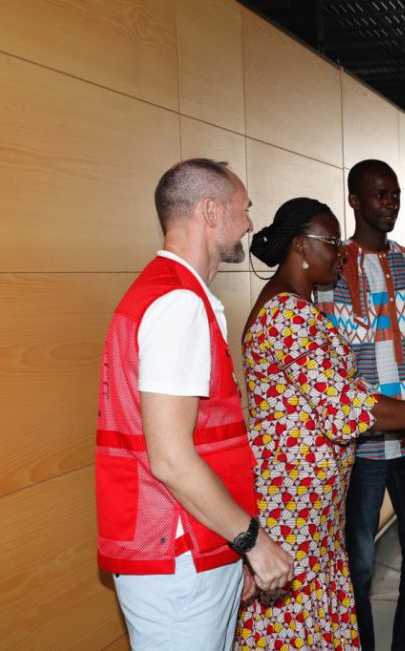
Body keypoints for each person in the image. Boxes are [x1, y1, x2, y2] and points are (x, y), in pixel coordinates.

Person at [235, 198, 405, 650]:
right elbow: (347, 407)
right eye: (332, 243)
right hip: (292, 501)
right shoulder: (286, 314)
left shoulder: (300, 308)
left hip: (313, 501)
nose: (342, 254)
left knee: (315, 611)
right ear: (301, 246)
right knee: (292, 620)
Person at [95, 159, 294, 650]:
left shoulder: (175, 295)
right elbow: (171, 458)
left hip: (193, 545)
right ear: (210, 211)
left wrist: (232, 549)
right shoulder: (178, 304)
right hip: (177, 552)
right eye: (243, 209)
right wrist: (252, 542)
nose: (249, 223)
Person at [315, 159, 405, 650]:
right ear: (355, 200)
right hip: (360, 449)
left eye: (394, 194)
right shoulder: (330, 272)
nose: (389, 202)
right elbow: (328, 368)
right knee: (359, 565)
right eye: (379, 194)